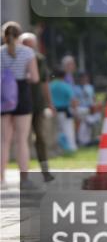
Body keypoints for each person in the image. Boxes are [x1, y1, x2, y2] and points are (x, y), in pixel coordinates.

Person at [1, 22, 40, 190]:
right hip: (22, 94)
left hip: (3, 97)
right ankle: (24, 179)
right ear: (19, 35)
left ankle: (1, 178)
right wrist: (27, 75)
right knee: (22, 140)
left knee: (3, 140)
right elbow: (35, 78)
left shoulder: (0, 53)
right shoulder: (27, 52)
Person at [19, 33, 55, 182]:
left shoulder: (39, 59)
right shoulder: (16, 58)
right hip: (20, 104)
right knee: (21, 139)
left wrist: (49, 103)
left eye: (31, 44)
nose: (30, 47)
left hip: (37, 104)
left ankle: (45, 171)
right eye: (27, 44)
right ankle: (24, 174)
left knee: (40, 137)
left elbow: (44, 83)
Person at [49, 69, 77, 153]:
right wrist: (74, 110)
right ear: (64, 76)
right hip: (64, 112)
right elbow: (73, 100)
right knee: (68, 131)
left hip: (52, 112)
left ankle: (57, 149)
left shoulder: (50, 86)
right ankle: (71, 148)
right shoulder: (66, 86)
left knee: (55, 131)